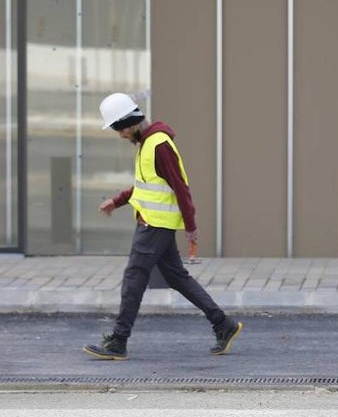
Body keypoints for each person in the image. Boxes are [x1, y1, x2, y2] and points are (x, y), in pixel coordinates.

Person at [83, 92, 242, 360]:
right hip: (153, 223)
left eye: (119, 130)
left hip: (155, 225)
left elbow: (180, 186)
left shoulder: (159, 145)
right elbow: (147, 186)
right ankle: (223, 325)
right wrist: (118, 201)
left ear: (130, 123)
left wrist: (191, 226)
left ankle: (118, 341)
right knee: (177, 277)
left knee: (134, 277)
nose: (120, 136)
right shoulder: (146, 144)